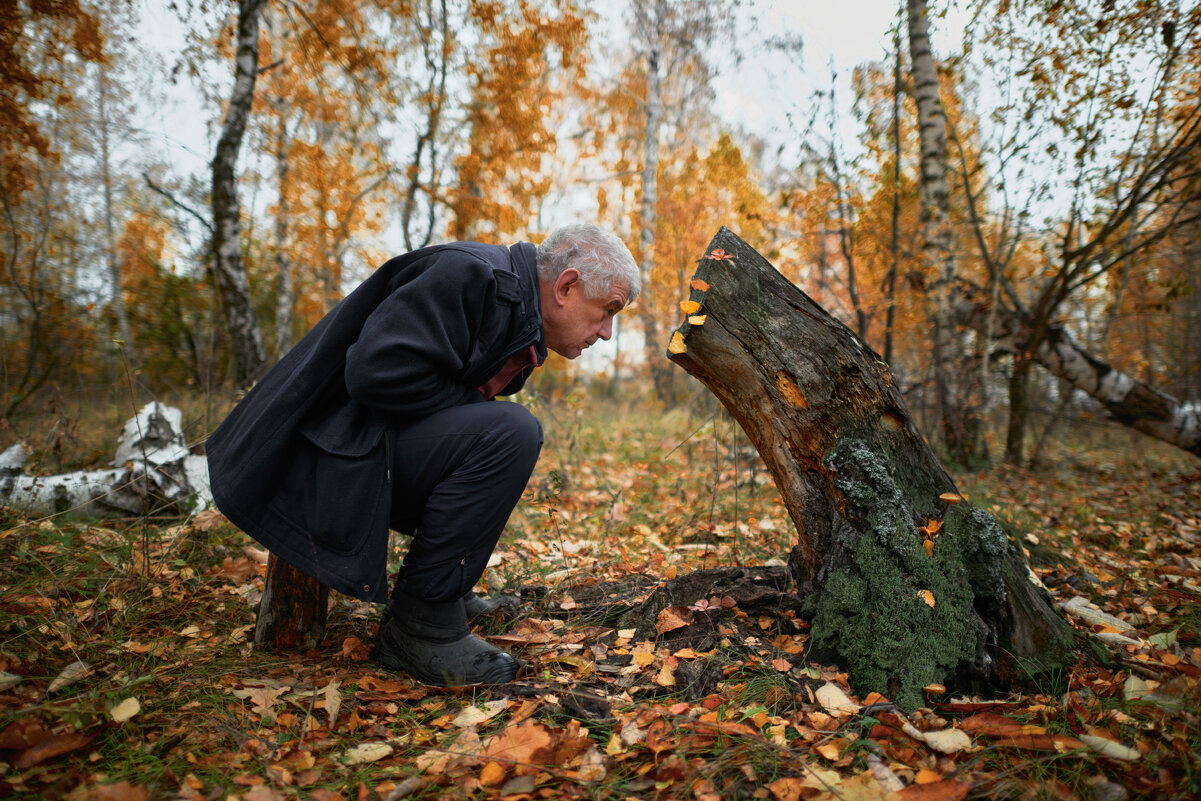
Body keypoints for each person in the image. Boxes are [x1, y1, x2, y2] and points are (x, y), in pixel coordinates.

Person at [205, 224, 639, 687]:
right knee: (510, 432)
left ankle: (443, 593)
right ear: (566, 286)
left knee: (500, 432)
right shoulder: (470, 276)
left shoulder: (513, 309)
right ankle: (420, 626)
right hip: (310, 457)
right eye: (607, 311)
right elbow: (376, 373)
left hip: (353, 446)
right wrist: (476, 419)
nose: (607, 333)